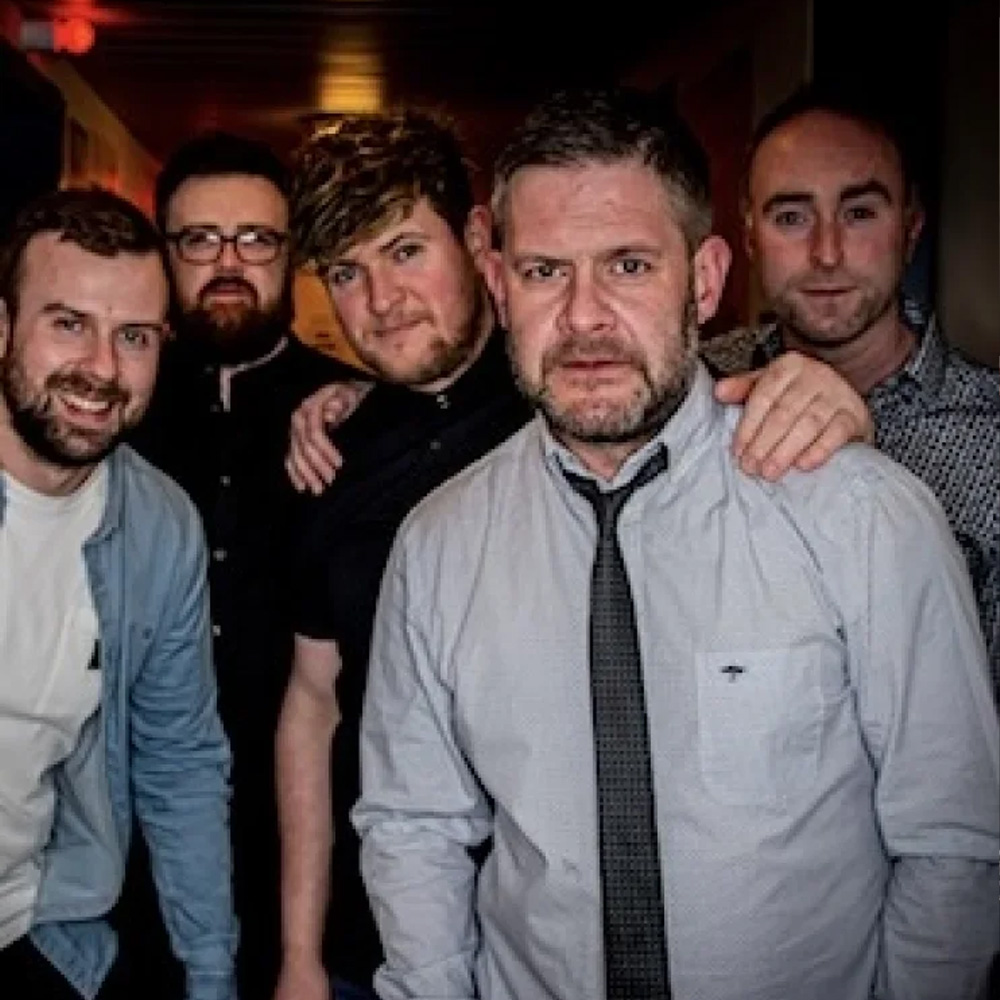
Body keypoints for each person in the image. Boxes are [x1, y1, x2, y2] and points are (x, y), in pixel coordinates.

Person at [353, 87, 999, 1000]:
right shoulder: (437, 547)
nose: (583, 317)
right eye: (544, 271)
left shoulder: (864, 517)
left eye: (627, 265)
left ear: (703, 278)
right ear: (498, 283)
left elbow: (953, 844)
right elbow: (413, 827)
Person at [121, 132, 365, 1000]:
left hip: (317, 853)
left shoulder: (357, 414)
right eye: (200, 240)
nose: (228, 263)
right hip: (128, 856)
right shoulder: (112, 408)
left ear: (291, 253)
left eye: (256, 239)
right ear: (166, 252)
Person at [0, 188, 237, 998]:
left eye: (133, 336)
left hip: (35, 927)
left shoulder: (157, 523)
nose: (102, 368)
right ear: (3, 327)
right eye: (68, 324)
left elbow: (179, 762)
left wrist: (211, 978)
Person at [702, 84, 1000, 690]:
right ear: (751, 237)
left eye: (860, 213)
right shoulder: (701, 388)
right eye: (792, 217)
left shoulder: (991, 435)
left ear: (911, 228)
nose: (827, 253)